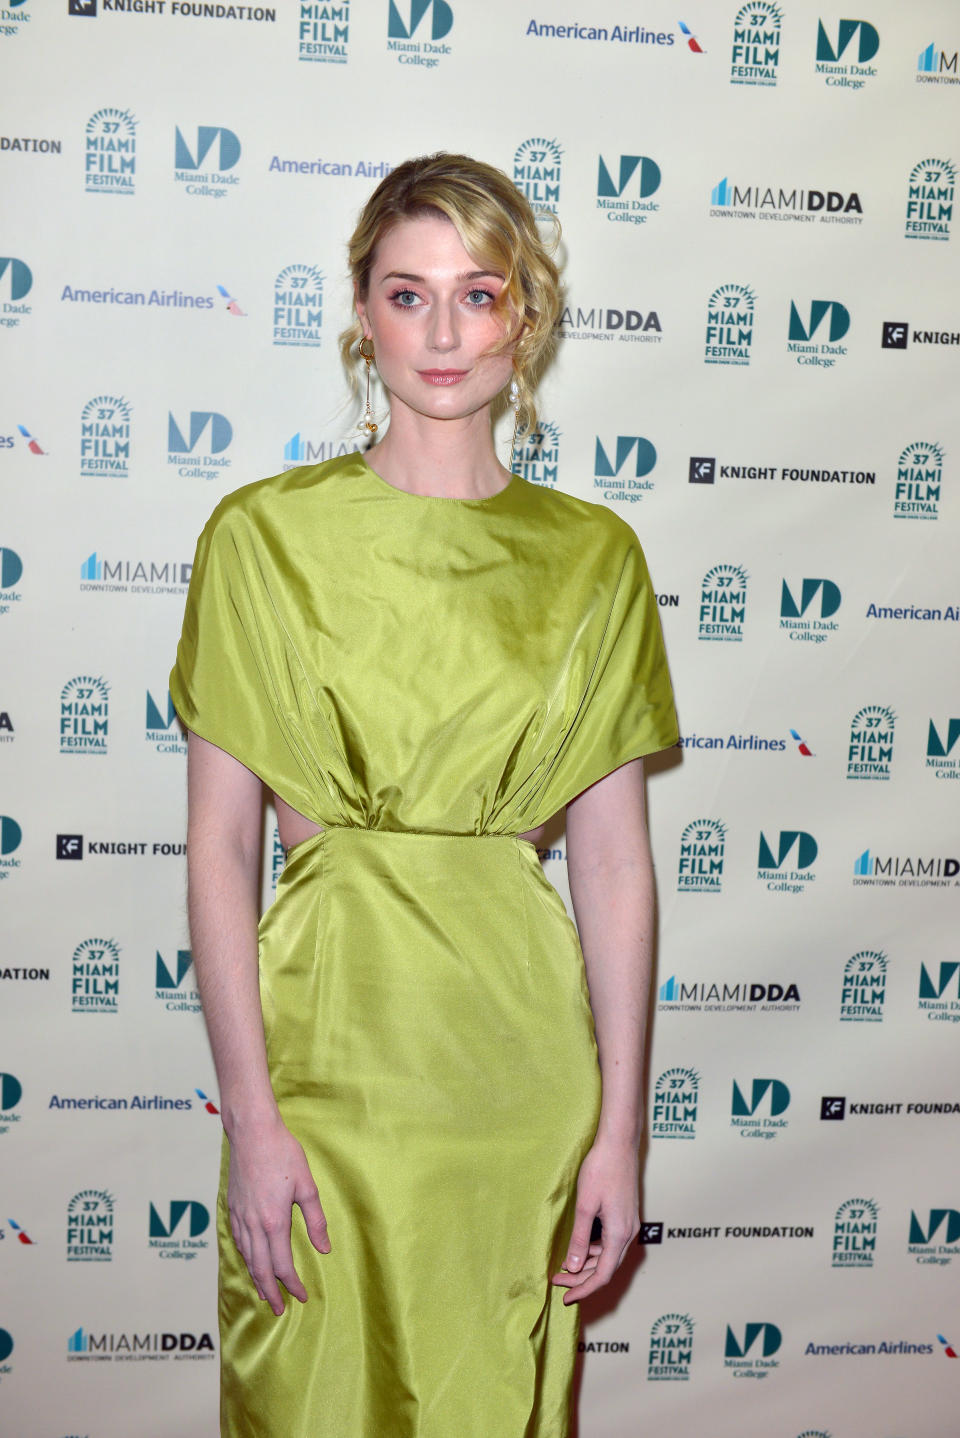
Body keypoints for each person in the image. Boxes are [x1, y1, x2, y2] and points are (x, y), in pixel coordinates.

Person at [169, 151, 678, 1438]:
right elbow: (222, 846)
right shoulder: (261, 538)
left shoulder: (595, 560)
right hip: (320, 1070)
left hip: (515, 1089)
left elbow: (614, 866)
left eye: (479, 292)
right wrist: (255, 1121)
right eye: (408, 294)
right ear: (360, 310)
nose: (443, 332)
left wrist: (618, 1135)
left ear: (525, 314)